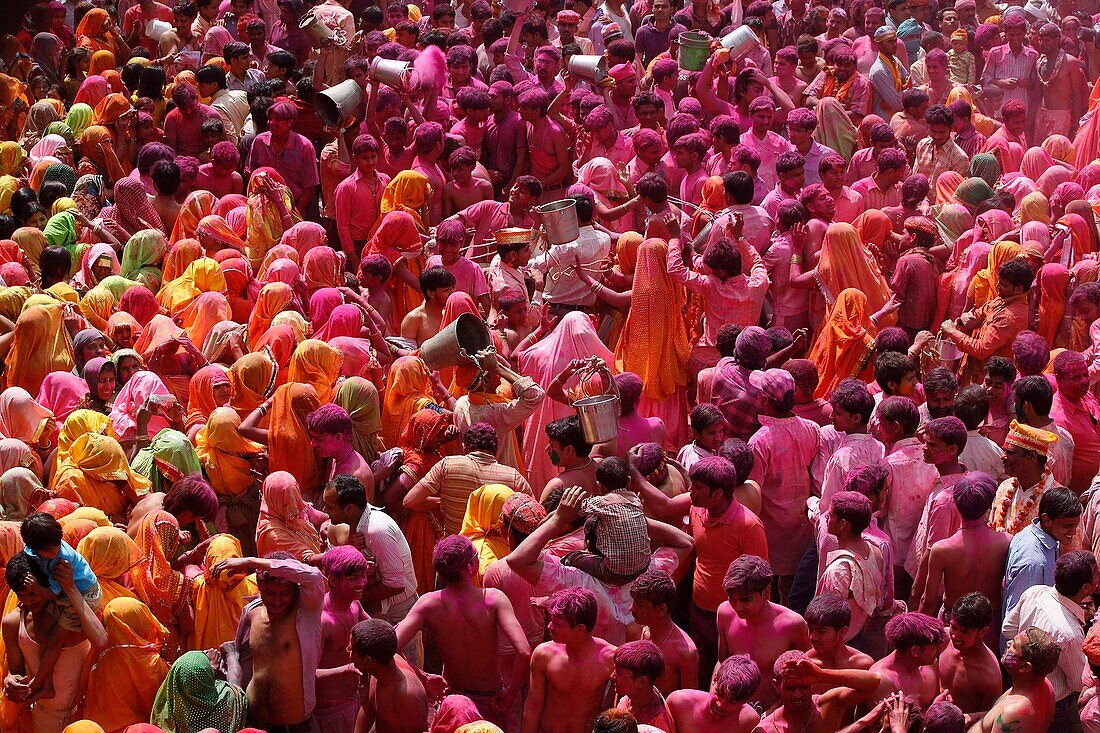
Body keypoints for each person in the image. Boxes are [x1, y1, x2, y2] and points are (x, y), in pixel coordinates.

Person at [396, 534, 531, 726]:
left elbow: (390, 645)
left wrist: (424, 677)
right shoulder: (493, 599)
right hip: (490, 700)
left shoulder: (428, 603)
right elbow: (524, 652)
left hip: (452, 697)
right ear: (471, 567)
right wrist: (510, 693)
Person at [223, 553, 324, 732]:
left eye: (285, 593)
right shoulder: (251, 612)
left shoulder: (307, 611)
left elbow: (314, 575)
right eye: (270, 593)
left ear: (295, 589)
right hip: (253, 722)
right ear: (260, 586)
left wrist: (250, 561)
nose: (277, 601)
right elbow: (242, 658)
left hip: (295, 727)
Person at [717, 555, 811, 710]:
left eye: (746, 600)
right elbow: (722, 662)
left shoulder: (792, 625)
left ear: (766, 592)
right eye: (732, 598)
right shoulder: (724, 613)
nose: (738, 606)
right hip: (732, 710)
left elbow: (805, 679)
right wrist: (715, 697)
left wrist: (771, 715)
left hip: (773, 715)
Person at [522, 586, 617, 733]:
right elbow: (533, 707)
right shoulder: (544, 655)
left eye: (558, 624)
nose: (549, 627)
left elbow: (614, 710)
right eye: (551, 620)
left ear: (580, 629)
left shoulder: (611, 659)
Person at [969, 627, 1059, 733]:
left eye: (1014, 646)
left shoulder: (1015, 713)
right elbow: (996, 715)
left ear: (1025, 667)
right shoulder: (1045, 685)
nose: (1008, 643)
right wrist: (971, 717)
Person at [349, 619, 430, 733]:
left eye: (351, 649)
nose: (348, 652)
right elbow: (367, 708)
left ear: (367, 660)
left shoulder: (407, 697)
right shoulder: (378, 668)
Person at [935, 593, 1003, 714]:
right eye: (953, 627)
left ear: (983, 631)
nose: (955, 635)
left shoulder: (989, 674)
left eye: (965, 632)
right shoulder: (943, 640)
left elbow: (990, 716)